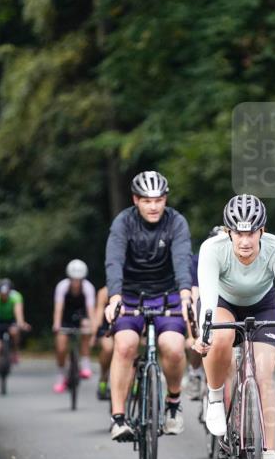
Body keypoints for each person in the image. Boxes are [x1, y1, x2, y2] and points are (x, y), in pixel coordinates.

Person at [193, 195, 275, 459]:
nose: (245, 240)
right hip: (222, 302)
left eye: (251, 232)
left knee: (264, 377)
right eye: (239, 233)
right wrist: (203, 333)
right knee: (222, 337)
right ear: (229, 232)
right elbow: (206, 295)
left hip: (263, 305)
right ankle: (215, 399)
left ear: (262, 231)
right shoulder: (212, 249)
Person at [104, 170, 194, 441]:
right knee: (125, 345)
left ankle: (173, 403)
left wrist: (186, 295)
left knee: (174, 348)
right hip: (130, 295)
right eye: (146, 200)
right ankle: (118, 419)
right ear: (135, 200)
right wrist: (115, 297)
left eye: (158, 200)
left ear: (165, 199)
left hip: (168, 295)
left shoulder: (176, 222)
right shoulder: (123, 223)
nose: (153, 206)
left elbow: (182, 259)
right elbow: (114, 260)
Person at [184, 225, 225, 402]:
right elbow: (194, 297)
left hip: (226, 305)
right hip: (205, 303)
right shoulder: (198, 260)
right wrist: (192, 331)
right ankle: (194, 372)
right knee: (197, 341)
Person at [51, 259, 97, 393]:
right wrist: (57, 325)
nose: (76, 282)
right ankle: (61, 374)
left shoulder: (88, 287)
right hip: (66, 316)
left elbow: (91, 310)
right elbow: (58, 308)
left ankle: (85, 363)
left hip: (81, 316)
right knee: (61, 347)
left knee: (86, 327)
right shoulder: (62, 287)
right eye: (73, 279)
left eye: (79, 279)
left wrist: (92, 328)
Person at [0, 279, 31, 388]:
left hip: (11, 320)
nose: (4, 296)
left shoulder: (16, 297)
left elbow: (18, 314)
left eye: (6, 294)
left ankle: (15, 351)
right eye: (2, 294)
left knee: (15, 331)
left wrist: (21, 323)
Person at [93, 285, 113, 401]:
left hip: (126, 326)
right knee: (108, 348)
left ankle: (135, 386)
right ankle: (103, 379)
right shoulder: (104, 292)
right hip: (106, 329)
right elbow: (99, 314)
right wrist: (94, 334)